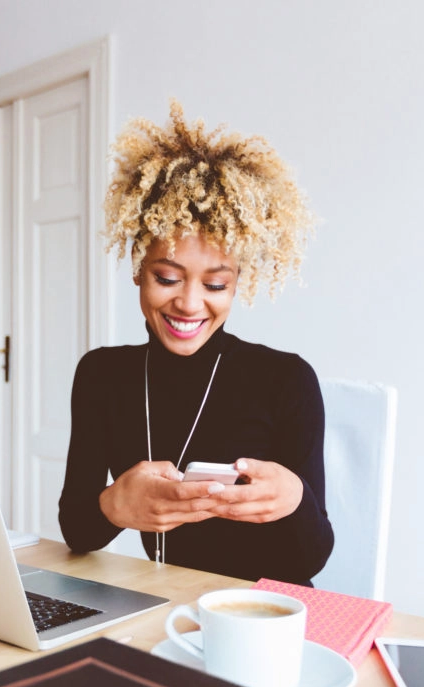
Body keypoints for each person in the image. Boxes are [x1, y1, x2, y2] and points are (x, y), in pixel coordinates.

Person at [58, 100, 333, 585]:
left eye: (215, 285)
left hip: (262, 616)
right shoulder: (101, 375)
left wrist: (294, 498)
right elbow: (77, 531)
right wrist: (113, 503)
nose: (188, 304)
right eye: (167, 277)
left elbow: (310, 560)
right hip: (163, 604)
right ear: (139, 269)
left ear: (237, 283)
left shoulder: (286, 379)